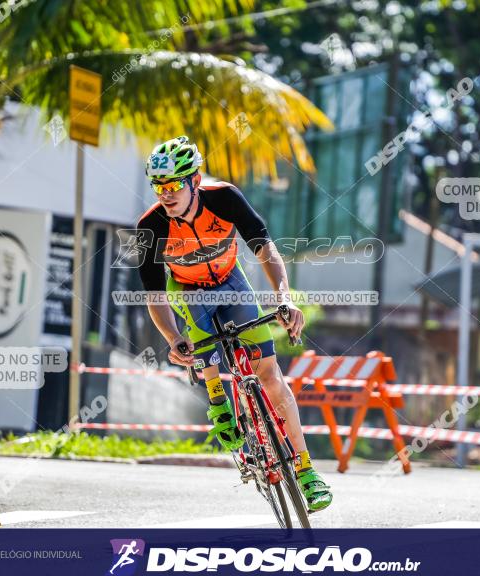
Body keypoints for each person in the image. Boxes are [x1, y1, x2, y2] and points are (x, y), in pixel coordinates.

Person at [134, 136, 332, 512]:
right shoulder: (151, 226)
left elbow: (265, 249)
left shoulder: (224, 198)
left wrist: (284, 297)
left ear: (195, 180)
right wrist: (173, 337)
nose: (166, 194)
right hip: (187, 291)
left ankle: (307, 472)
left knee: (271, 377)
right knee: (200, 346)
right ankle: (218, 402)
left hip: (231, 281)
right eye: (159, 187)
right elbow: (155, 295)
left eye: (174, 184)